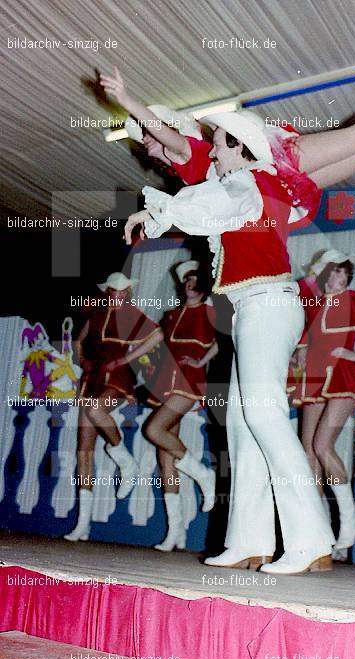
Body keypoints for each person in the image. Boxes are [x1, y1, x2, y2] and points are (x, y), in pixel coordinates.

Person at [121, 109, 336, 575]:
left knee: (263, 416)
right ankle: (249, 538)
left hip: (267, 306)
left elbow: (200, 205)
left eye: (220, 144)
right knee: (242, 426)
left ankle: (311, 538)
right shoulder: (243, 186)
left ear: (242, 148)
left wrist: (157, 210)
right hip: (253, 310)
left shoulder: (250, 182)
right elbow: (204, 201)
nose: (213, 151)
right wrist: (162, 210)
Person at [100, 67, 355, 197]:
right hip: (280, 187)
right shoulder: (185, 166)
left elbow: (162, 132)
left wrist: (128, 100)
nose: (144, 141)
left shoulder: (187, 151)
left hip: (278, 163)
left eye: (143, 134)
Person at [292, 250, 355, 559]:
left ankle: (349, 522)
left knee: (322, 446)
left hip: (343, 376)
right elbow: (303, 335)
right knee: (307, 451)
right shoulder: (314, 302)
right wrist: (301, 351)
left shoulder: (353, 299)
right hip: (314, 376)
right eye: (332, 272)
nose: (337, 278)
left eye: (342, 273)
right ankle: (317, 528)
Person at [65, 273, 163, 541]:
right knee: (83, 452)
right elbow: (78, 339)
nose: (118, 296)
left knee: (97, 410)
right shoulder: (97, 313)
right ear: (107, 291)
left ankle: (124, 459)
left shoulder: (131, 314)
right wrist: (82, 357)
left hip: (117, 376)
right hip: (92, 376)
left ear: (129, 292)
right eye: (114, 291)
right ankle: (82, 524)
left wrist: (126, 359)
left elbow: (157, 335)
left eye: (123, 292)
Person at [143, 260, 218, 551]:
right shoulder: (172, 314)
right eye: (186, 279)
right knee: (165, 457)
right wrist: (128, 358)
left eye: (194, 279)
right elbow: (155, 340)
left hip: (190, 379)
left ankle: (203, 474)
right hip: (166, 377)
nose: (189, 284)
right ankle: (175, 532)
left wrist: (201, 361)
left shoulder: (211, 312)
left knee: (154, 429)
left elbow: (223, 341)